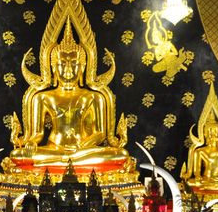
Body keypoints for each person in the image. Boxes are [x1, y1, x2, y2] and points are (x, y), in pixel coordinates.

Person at [9, 19, 129, 168]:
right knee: (17, 155)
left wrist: (81, 146)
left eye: (74, 64)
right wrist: (31, 143)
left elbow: (100, 133)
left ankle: (64, 161)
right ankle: (67, 160)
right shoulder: (42, 97)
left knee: (120, 154)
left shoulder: (94, 97)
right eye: (62, 64)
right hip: (54, 149)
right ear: (53, 67)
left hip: (83, 150)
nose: (67, 70)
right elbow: (37, 134)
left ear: (83, 67)